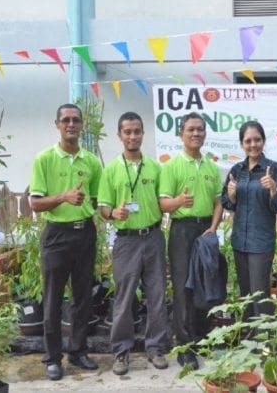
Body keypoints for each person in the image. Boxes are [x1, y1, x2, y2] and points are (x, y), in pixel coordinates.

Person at [29, 103, 102, 381]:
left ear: (82, 126)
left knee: (83, 297)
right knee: (53, 299)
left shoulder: (91, 161)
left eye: (76, 120)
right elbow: (35, 203)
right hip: (57, 235)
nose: (71, 125)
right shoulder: (44, 159)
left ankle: (78, 351)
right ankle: (53, 358)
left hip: (85, 233)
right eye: (66, 120)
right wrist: (63, 197)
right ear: (57, 124)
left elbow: (96, 200)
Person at [97, 112, 168, 375]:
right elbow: (103, 207)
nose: (132, 136)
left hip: (153, 237)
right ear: (119, 135)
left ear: (142, 134)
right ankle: (121, 352)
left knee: (157, 295)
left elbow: (164, 200)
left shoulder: (155, 168)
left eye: (137, 131)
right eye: (127, 132)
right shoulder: (111, 170)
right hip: (126, 242)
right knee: (124, 299)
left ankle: (156, 348)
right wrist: (113, 213)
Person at [159, 112, 223, 370]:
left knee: (206, 286)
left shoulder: (211, 166)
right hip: (182, 231)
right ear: (181, 134)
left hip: (205, 231)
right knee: (184, 288)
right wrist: (179, 202)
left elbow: (219, 203)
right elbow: (163, 204)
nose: (196, 134)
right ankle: (184, 347)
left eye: (200, 130)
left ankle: (203, 339)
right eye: (191, 130)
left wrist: (213, 227)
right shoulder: (172, 166)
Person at [221, 121, 277, 319]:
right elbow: (227, 202)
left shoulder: (274, 169)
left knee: (260, 293)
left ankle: (265, 343)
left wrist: (274, 190)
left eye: (257, 140)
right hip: (239, 242)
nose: (253, 145)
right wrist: (232, 195)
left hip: (261, 242)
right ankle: (249, 340)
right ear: (242, 144)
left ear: (263, 141)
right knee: (246, 294)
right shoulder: (237, 170)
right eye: (248, 141)